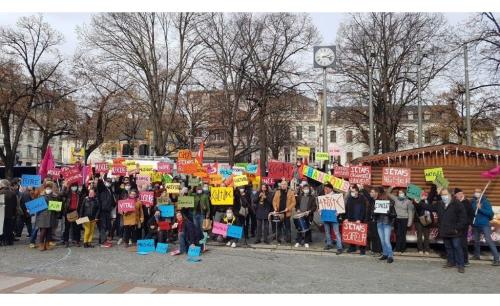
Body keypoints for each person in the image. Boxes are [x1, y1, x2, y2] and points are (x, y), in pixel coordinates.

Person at [431, 188, 467, 273]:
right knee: (448, 248)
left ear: (450, 195)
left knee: (457, 247)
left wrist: (457, 228)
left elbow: (463, 218)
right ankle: (451, 262)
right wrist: (418, 203)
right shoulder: (439, 204)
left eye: (445, 194)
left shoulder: (457, 203)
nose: (444, 196)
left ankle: (461, 265)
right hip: (445, 231)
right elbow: (429, 207)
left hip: (455, 231)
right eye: (442, 195)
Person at [471, 189, 500, 266]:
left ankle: (497, 258)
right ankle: (476, 255)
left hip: (484, 224)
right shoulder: (473, 202)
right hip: (475, 224)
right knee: (476, 241)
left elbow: (490, 213)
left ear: (481, 193)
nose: (476, 193)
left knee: (489, 240)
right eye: (475, 192)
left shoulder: (486, 202)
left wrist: (481, 208)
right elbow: (471, 212)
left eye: (478, 192)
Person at [387, 187, 414, 255]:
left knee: (403, 234)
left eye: (402, 193)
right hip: (397, 219)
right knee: (398, 234)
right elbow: (388, 193)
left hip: (405, 219)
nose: (400, 194)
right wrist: (392, 187)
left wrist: (409, 222)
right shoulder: (396, 199)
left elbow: (410, 212)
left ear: (404, 194)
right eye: (399, 193)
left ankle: (402, 249)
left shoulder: (408, 201)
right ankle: (397, 248)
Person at [373, 187, 397, 263]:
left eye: (377, 193)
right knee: (382, 240)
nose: (381, 197)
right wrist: (374, 213)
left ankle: (390, 256)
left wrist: (389, 213)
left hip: (387, 223)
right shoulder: (376, 202)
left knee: (386, 240)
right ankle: (385, 254)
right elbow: (373, 214)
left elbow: (394, 215)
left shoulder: (390, 203)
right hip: (379, 222)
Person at [35, 182, 60, 251]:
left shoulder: (55, 196)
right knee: (43, 231)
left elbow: (57, 206)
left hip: (52, 215)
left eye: (49, 188)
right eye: (47, 188)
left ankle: (47, 244)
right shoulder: (41, 195)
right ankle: (41, 244)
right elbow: (37, 206)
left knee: (49, 231)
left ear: (51, 189)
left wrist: (57, 209)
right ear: (45, 188)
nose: (48, 189)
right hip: (42, 216)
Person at [345, 184, 369, 255]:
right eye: (351, 191)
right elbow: (347, 209)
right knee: (352, 233)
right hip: (351, 218)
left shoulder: (361, 198)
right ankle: (352, 247)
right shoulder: (349, 198)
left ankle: (362, 249)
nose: (352, 192)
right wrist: (346, 218)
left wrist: (360, 219)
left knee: (361, 234)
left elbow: (363, 210)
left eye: (353, 191)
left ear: (357, 191)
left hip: (360, 219)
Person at [359, 186, 382, 256]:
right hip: (370, 220)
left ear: (376, 193)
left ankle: (378, 251)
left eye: (372, 192)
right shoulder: (372, 200)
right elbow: (367, 195)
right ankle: (374, 250)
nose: (370, 193)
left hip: (377, 221)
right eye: (370, 192)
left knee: (377, 236)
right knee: (372, 236)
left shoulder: (380, 201)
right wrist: (362, 188)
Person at [321, 183, 343, 255]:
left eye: (326, 188)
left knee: (336, 232)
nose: (325, 190)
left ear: (331, 189)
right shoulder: (323, 196)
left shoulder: (336, 196)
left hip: (334, 216)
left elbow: (341, 207)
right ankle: (329, 244)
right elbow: (321, 206)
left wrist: (338, 212)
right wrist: (320, 210)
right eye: (325, 188)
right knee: (327, 231)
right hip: (326, 216)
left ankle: (339, 247)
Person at [272, 180, 296, 244]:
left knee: (287, 227)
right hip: (279, 213)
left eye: (284, 184)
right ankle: (278, 239)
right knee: (279, 226)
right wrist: (275, 207)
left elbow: (294, 202)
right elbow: (274, 201)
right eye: (282, 184)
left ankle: (288, 239)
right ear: (280, 185)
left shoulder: (290, 192)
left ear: (287, 185)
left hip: (286, 213)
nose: (283, 185)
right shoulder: (277, 192)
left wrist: (288, 208)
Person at [454, 188, 474, 266]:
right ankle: (457, 259)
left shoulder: (467, 202)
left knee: (463, 243)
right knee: (456, 243)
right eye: (456, 195)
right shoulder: (455, 202)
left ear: (462, 194)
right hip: (456, 226)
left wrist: (469, 224)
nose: (458, 196)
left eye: (459, 194)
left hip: (464, 226)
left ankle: (465, 260)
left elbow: (471, 214)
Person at [294, 183, 316, 248]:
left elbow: (314, 207)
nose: (306, 190)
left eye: (307, 189)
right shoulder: (299, 196)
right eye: (304, 189)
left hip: (308, 215)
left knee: (307, 229)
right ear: (302, 189)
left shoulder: (312, 197)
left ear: (309, 189)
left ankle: (306, 242)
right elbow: (297, 205)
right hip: (300, 215)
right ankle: (299, 241)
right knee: (299, 229)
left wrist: (309, 211)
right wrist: (297, 209)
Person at [62, 182, 82, 247]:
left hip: (76, 212)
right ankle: (66, 241)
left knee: (77, 227)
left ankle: (77, 240)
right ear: (70, 187)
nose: (74, 187)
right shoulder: (67, 193)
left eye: (75, 186)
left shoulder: (78, 193)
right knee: (67, 228)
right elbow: (61, 194)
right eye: (72, 186)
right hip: (68, 212)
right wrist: (64, 187)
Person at [97, 178, 116, 248]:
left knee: (108, 226)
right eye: (108, 181)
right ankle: (102, 242)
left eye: (110, 182)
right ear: (105, 182)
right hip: (102, 210)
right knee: (103, 226)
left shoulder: (110, 189)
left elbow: (112, 200)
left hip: (108, 210)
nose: (109, 183)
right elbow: (99, 186)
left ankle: (103, 239)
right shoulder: (102, 189)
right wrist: (100, 179)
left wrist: (114, 204)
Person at [0, 179, 17, 246]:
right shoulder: (12, 193)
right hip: (9, 213)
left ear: (2, 185)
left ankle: (2, 240)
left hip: (1, 213)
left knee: (1, 227)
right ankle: (9, 241)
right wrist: (14, 213)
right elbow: (15, 205)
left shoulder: (0, 192)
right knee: (9, 227)